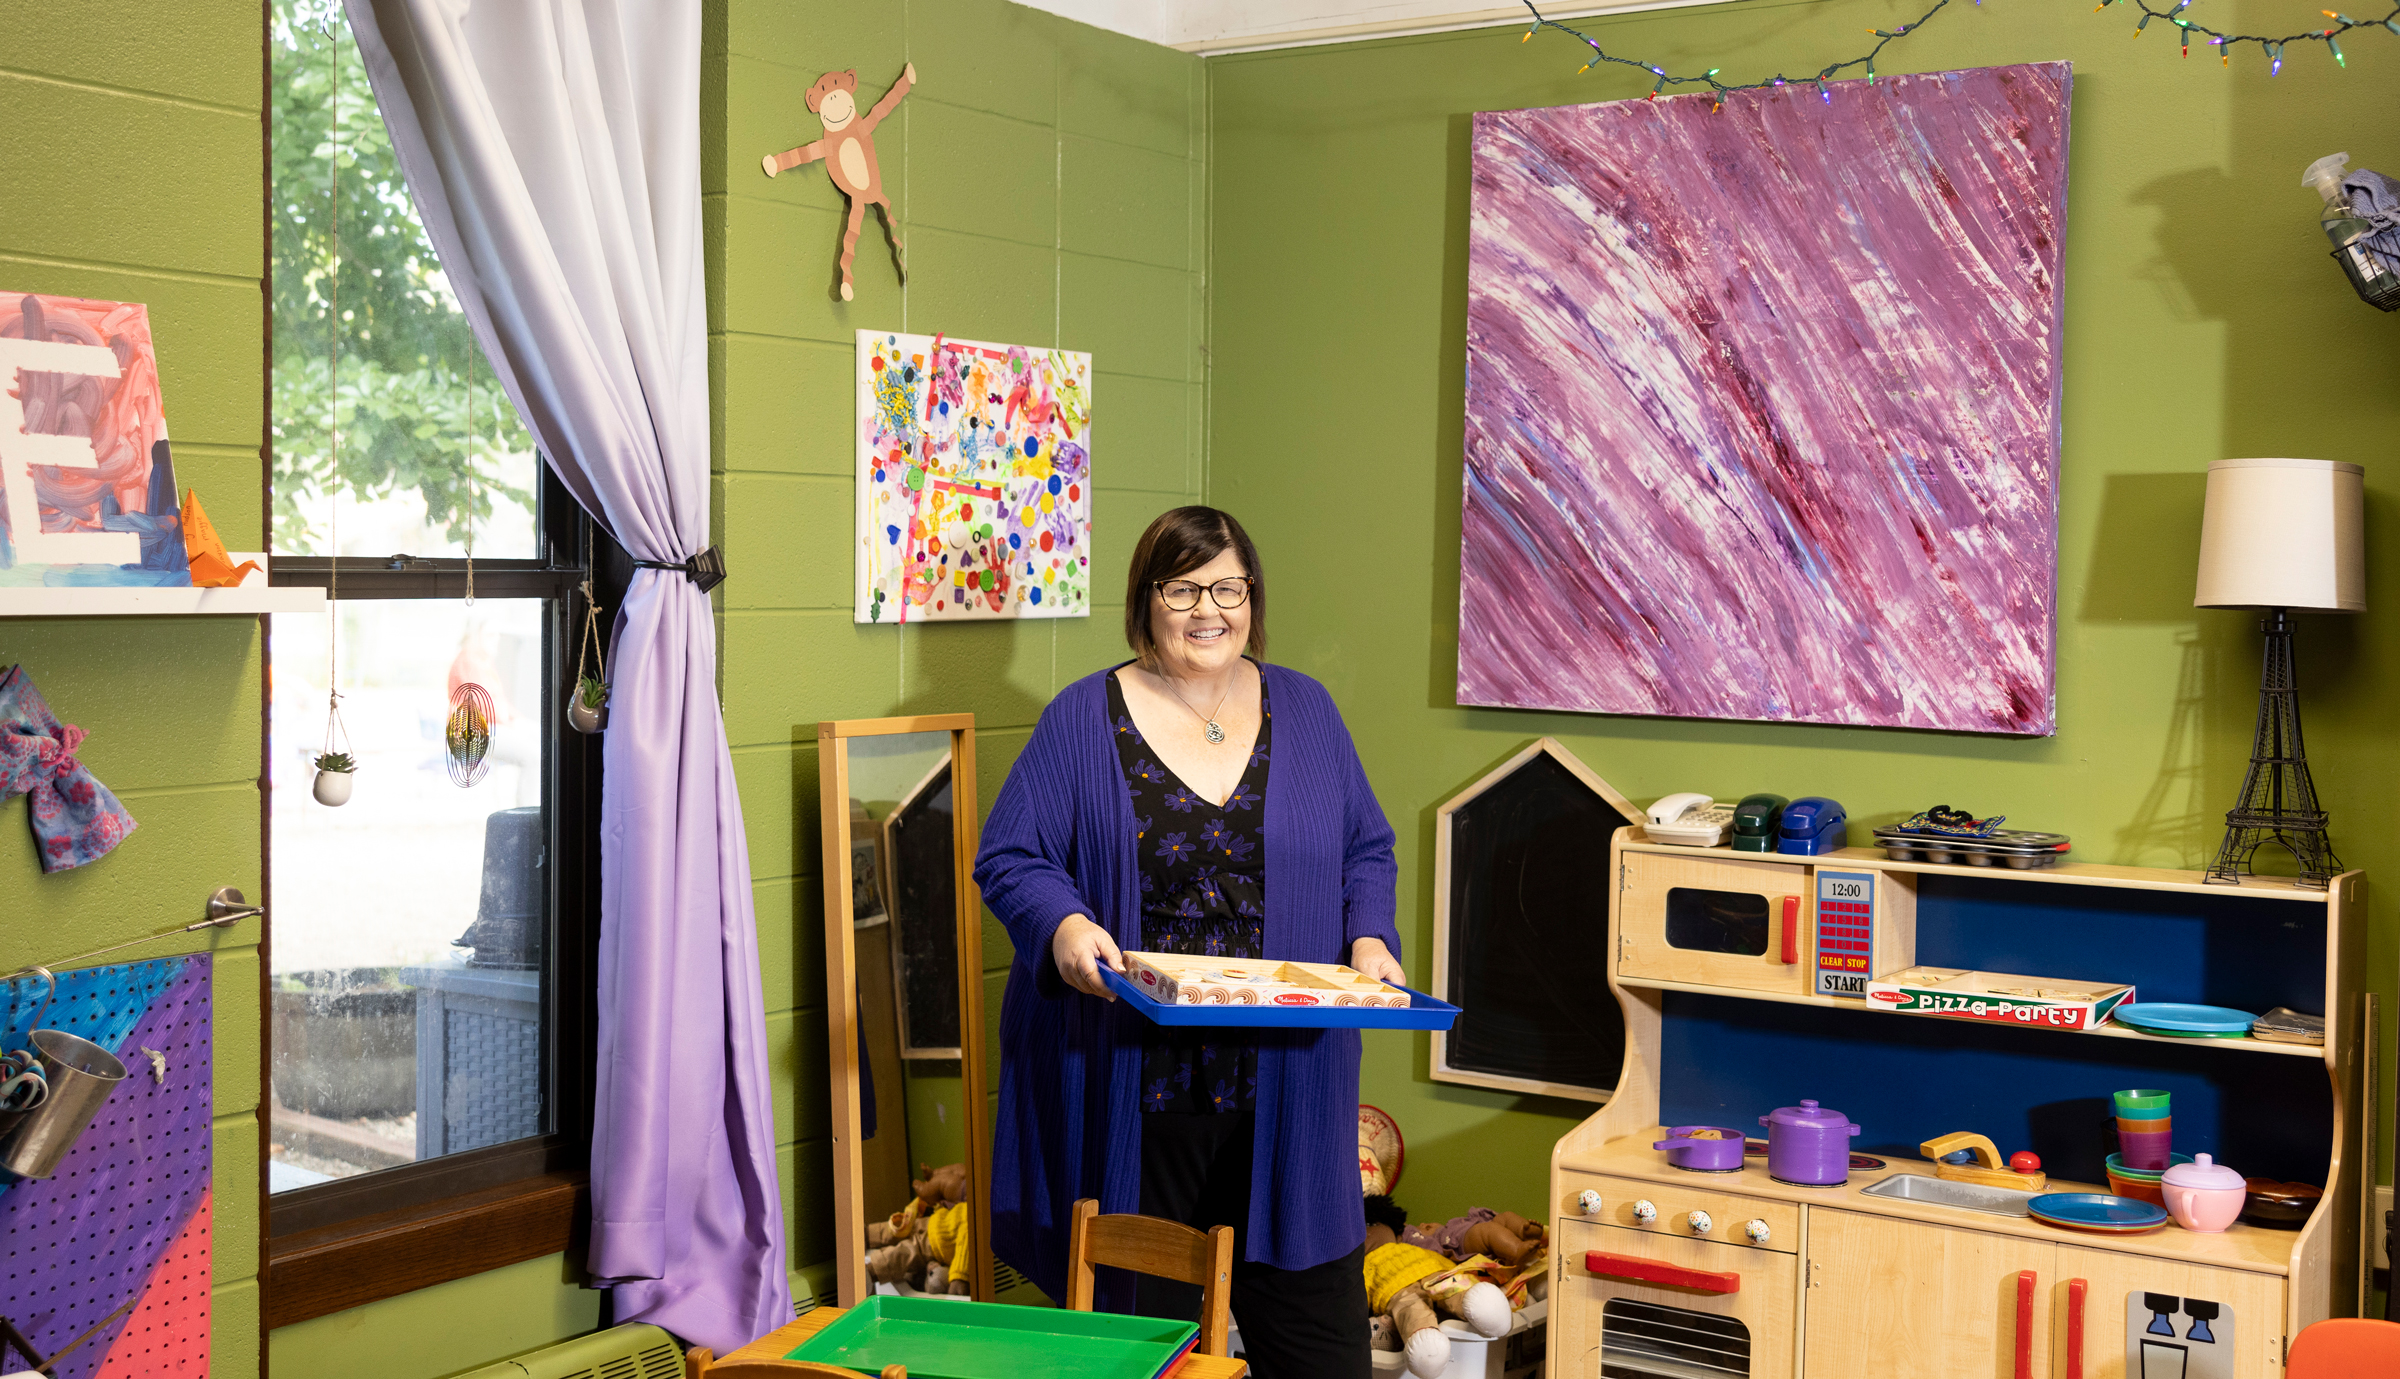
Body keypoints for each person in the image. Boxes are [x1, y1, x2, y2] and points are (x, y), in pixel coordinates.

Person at [975, 506, 1402, 1378]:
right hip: (1143, 1086)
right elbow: (1012, 855)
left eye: (1228, 587)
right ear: (1147, 600)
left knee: (1324, 1354)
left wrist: (1370, 935)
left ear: (1252, 596)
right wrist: (1063, 925)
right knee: (1146, 1355)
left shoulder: (1308, 712)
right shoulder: (1081, 718)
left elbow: (1367, 846)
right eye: (1183, 588)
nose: (1208, 609)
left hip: (1289, 1089)